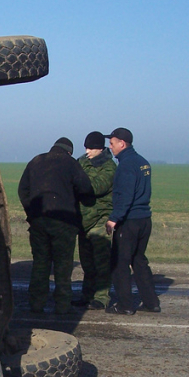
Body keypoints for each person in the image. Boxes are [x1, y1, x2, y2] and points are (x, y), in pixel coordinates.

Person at [18, 137, 94, 314]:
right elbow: (85, 188)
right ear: (69, 151)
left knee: (40, 263)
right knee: (63, 265)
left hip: (39, 221)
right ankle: (62, 305)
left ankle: (36, 304)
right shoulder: (71, 163)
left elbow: (23, 190)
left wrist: (32, 212)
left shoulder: (35, 161)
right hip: (64, 222)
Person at [104, 127, 161, 315]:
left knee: (120, 263)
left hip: (129, 221)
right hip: (145, 219)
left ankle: (125, 305)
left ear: (122, 144)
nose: (110, 147)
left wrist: (114, 219)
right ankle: (151, 302)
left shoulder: (126, 165)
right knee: (139, 260)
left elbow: (125, 195)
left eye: (112, 144)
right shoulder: (142, 162)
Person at [72, 131, 116, 310]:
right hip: (83, 221)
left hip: (100, 220)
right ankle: (87, 295)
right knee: (87, 263)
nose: (87, 151)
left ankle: (101, 298)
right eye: (86, 147)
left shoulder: (109, 167)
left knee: (102, 262)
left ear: (100, 148)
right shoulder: (81, 161)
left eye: (91, 148)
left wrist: (74, 181)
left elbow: (96, 187)